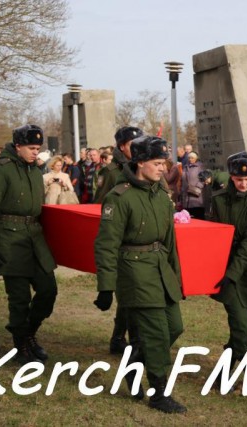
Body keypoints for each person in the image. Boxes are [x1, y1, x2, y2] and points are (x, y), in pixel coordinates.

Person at [93, 136, 186, 414]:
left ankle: (132, 361)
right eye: (157, 164)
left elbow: (170, 240)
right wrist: (106, 287)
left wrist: (177, 280)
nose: (162, 169)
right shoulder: (119, 197)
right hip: (134, 271)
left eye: (164, 163)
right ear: (140, 162)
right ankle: (159, 393)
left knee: (174, 326)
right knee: (157, 333)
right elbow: (106, 244)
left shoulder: (160, 192)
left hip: (160, 268)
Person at [0, 124, 58, 365]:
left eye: (38, 148)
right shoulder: (0, 170)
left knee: (48, 290)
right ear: (18, 146)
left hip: (35, 238)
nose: (36, 152)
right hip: (10, 240)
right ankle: (20, 344)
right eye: (31, 148)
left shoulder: (35, 169)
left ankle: (29, 333)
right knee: (19, 299)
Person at [210, 151, 247, 399]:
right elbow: (214, 234)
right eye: (238, 179)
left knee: (243, 331)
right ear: (231, 177)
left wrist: (232, 274)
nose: (243, 183)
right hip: (227, 274)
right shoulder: (219, 200)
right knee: (240, 327)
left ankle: (222, 374)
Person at [92, 126, 144, 355]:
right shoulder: (112, 172)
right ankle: (124, 339)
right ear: (122, 146)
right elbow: (101, 204)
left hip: (138, 237)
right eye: (134, 144)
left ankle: (117, 337)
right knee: (128, 293)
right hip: (121, 241)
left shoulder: (143, 167)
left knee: (130, 294)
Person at [94, 126, 143, 204]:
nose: (136, 149)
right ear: (122, 147)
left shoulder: (145, 167)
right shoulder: (110, 171)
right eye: (132, 145)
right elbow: (100, 200)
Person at [181, 151, 206, 219]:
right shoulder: (185, 167)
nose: (190, 159)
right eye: (189, 158)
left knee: (198, 216)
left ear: (196, 158)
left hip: (197, 196)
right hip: (186, 197)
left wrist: (197, 187)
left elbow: (204, 178)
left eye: (192, 158)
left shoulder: (200, 167)